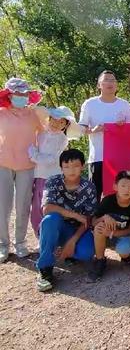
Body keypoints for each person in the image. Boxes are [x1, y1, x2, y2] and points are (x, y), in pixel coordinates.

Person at [36, 149, 97, 292]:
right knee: (50, 219)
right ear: (61, 168)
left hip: (78, 229)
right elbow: (47, 208)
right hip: (57, 226)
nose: (71, 170)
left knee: (87, 253)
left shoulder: (89, 187)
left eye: (75, 166)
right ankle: (45, 269)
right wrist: (75, 215)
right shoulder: (53, 181)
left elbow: (88, 218)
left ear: (82, 166)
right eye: (66, 166)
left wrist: (73, 240)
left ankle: (68, 251)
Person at [0, 77, 43, 263]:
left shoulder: (33, 115)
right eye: (18, 94)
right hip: (3, 163)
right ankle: (3, 245)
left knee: (23, 205)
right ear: (9, 95)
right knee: (3, 206)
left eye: (24, 94)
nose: (21, 97)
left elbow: (45, 134)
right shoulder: (1, 114)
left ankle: (20, 243)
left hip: (28, 165)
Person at [79, 70, 130, 200]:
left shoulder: (124, 105)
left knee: (120, 193)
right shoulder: (90, 104)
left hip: (120, 157)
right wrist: (94, 130)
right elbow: (81, 129)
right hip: (98, 157)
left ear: (117, 85)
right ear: (99, 85)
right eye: (106, 80)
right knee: (94, 193)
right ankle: (93, 220)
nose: (110, 83)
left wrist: (124, 127)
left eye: (113, 80)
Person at [29, 106, 81, 237]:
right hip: (36, 175)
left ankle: (50, 235)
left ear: (66, 125)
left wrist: (34, 155)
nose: (56, 124)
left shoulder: (62, 139)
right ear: (49, 119)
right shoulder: (40, 134)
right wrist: (33, 154)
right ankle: (39, 235)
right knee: (35, 207)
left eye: (61, 122)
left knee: (47, 205)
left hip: (51, 178)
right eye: (54, 119)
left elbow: (52, 159)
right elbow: (32, 147)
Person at [88, 170, 130, 282]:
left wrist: (112, 233)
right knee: (98, 228)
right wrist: (103, 218)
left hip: (123, 235)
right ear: (115, 186)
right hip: (106, 236)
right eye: (123, 185)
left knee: (124, 249)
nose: (127, 190)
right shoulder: (108, 201)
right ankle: (100, 261)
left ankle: (126, 258)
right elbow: (93, 222)